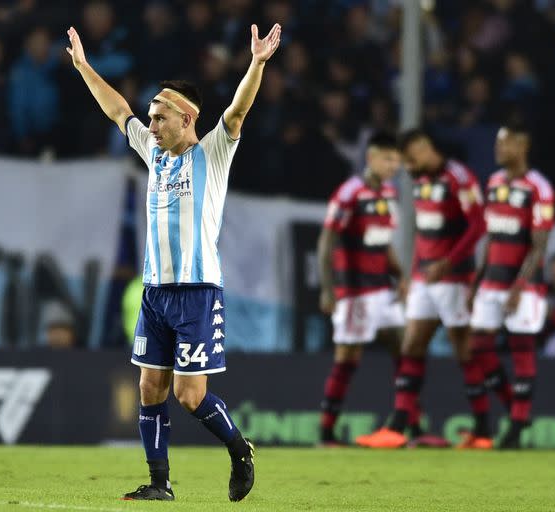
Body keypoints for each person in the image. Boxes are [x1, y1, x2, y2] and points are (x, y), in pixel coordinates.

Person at [65, 22, 281, 501]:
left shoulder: (213, 153)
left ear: (187, 119)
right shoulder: (153, 154)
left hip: (198, 291)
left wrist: (257, 63)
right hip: (155, 293)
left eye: (160, 117)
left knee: (190, 396)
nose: (151, 124)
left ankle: (239, 449)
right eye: (151, 117)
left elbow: (239, 109)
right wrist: (84, 67)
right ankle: (160, 484)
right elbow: (117, 110)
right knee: (149, 388)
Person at [356, 129, 488, 449]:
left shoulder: (459, 177)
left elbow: (479, 224)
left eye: (411, 161)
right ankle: (398, 427)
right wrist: (413, 273)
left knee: (464, 351)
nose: (408, 168)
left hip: (454, 278)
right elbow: (423, 232)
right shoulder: (419, 181)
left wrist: (448, 262)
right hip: (424, 280)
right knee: (411, 347)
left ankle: (483, 430)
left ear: (426, 150)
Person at [466, 123, 555, 449]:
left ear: (522, 145)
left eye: (505, 144)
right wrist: (476, 281)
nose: (498, 149)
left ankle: (516, 427)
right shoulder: (492, 183)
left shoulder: (539, 188)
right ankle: (513, 407)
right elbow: (491, 237)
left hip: (524, 285)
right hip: (492, 280)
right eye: (497, 143)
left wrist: (519, 286)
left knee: (521, 348)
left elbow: (539, 244)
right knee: (477, 344)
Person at [317, 132, 407, 447]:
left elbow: (383, 242)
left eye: (397, 159)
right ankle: (326, 432)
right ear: (371, 158)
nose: (394, 165)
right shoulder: (349, 193)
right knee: (347, 359)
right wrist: (328, 289)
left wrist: (402, 275)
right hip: (354, 290)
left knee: (405, 350)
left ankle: (406, 425)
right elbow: (327, 241)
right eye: (388, 158)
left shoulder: (390, 193)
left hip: (383, 287)